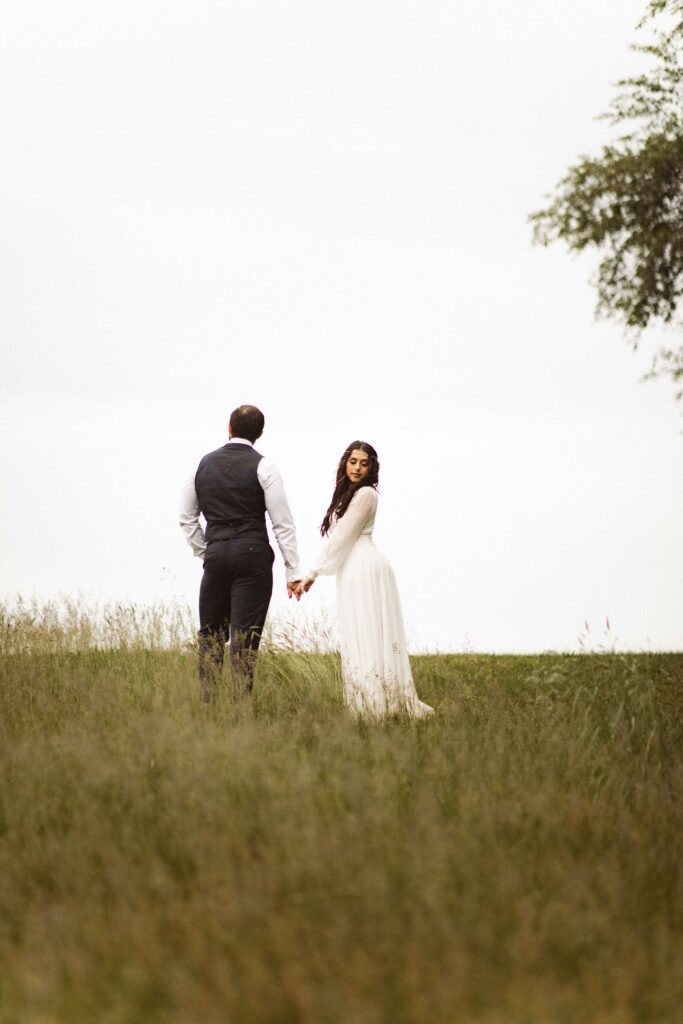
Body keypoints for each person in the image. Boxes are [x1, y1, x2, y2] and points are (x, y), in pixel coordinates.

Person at [296, 442, 433, 719]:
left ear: (372, 468)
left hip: (364, 567)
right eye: (353, 461)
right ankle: (368, 703)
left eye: (364, 463)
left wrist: (312, 574)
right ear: (345, 463)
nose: (357, 468)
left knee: (368, 632)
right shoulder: (347, 493)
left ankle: (377, 706)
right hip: (352, 566)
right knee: (358, 631)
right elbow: (339, 538)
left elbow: (343, 536)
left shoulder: (366, 494)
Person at [179, 404, 302, 700]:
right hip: (252, 554)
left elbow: (187, 517)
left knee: (210, 635)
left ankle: (209, 705)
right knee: (245, 638)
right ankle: (239, 707)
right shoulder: (265, 467)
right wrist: (293, 570)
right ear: (260, 434)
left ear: (229, 427)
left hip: (216, 552)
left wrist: (205, 551)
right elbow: (282, 523)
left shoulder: (202, 465)